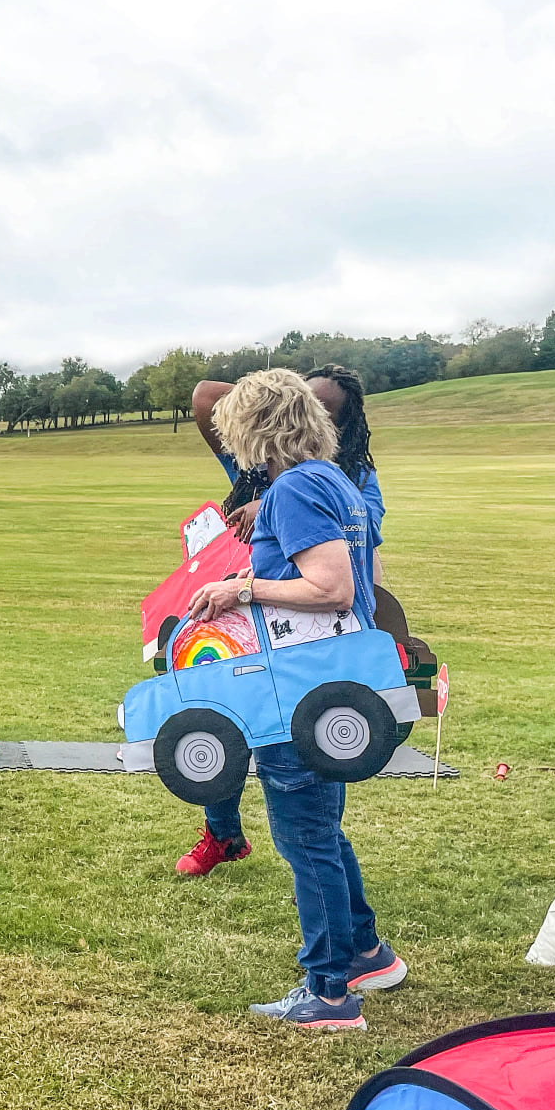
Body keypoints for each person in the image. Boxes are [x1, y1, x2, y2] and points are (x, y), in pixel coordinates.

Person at [186, 368, 407, 1030]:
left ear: (254, 429)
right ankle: (367, 951)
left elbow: (331, 587)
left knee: (303, 836)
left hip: (301, 687)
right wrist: (256, 574)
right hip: (325, 683)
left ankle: (329, 993)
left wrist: (242, 591)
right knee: (320, 830)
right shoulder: (331, 480)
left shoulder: (296, 488)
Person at [179, 364, 388, 878]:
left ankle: (338, 949)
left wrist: (245, 581)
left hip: (301, 651)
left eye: (324, 410)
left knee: (306, 818)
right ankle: (223, 832)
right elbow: (208, 395)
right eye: (307, 403)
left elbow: (343, 578)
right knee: (221, 713)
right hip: (270, 633)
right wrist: (268, 402)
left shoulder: (318, 483)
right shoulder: (283, 473)